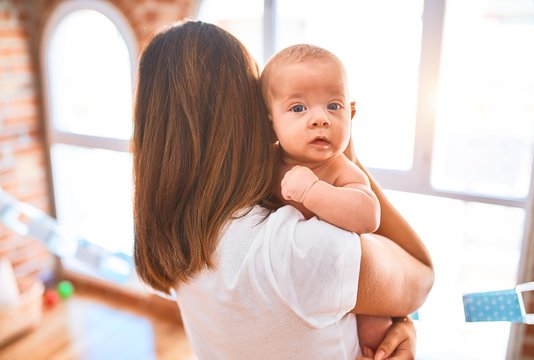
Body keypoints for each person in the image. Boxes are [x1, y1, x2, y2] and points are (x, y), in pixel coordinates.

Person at [133, 20, 434, 360]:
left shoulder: (172, 232)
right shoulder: (291, 248)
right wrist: (343, 154)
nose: (316, 118)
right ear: (256, 115)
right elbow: (420, 275)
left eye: (332, 106)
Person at [260, 44, 392, 353]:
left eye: (334, 106)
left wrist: (313, 192)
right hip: (291, 295)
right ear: (270, 122)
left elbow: (368, 215)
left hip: (351, 287)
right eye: (298, 108)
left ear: (352, 112)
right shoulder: (264, 163)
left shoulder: (342, 171)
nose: (321, 119)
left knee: (379, 327)